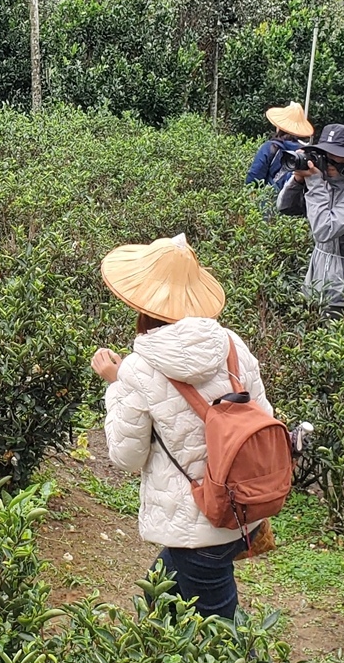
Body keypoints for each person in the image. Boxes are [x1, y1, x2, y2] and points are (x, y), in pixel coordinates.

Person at [89, 233, 270, 620]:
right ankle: (156, 662)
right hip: (245, 505)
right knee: (157, 600)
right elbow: (263, 414)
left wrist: (118, 384)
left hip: (200, 524)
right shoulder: (233, 345)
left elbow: (127, 456)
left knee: (221, 629)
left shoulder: (140, 368)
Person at [278, 124, 344, 315]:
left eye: (336, 156)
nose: (330, 162)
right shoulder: (325, 181)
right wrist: (298, 180)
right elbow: (285, 207)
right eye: (326, 155)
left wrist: (315, 184)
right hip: (316, 284)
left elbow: (324, 230)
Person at [245, 101, 314, 196]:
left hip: (269, 204)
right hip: (292, 204)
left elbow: (254, 179)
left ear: (279, 126)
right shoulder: (304, 153)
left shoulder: (270, 147)